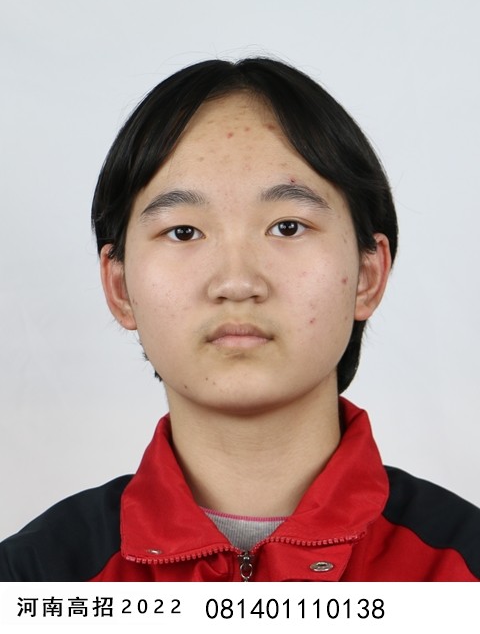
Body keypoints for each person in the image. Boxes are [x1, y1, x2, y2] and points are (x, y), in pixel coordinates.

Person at [0, 57, 479, 582]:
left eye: (288, 227)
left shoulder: (462, 569)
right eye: (184, 232)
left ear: (368, 274)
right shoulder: (33, 578)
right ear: (120, 287)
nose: (236, 281)